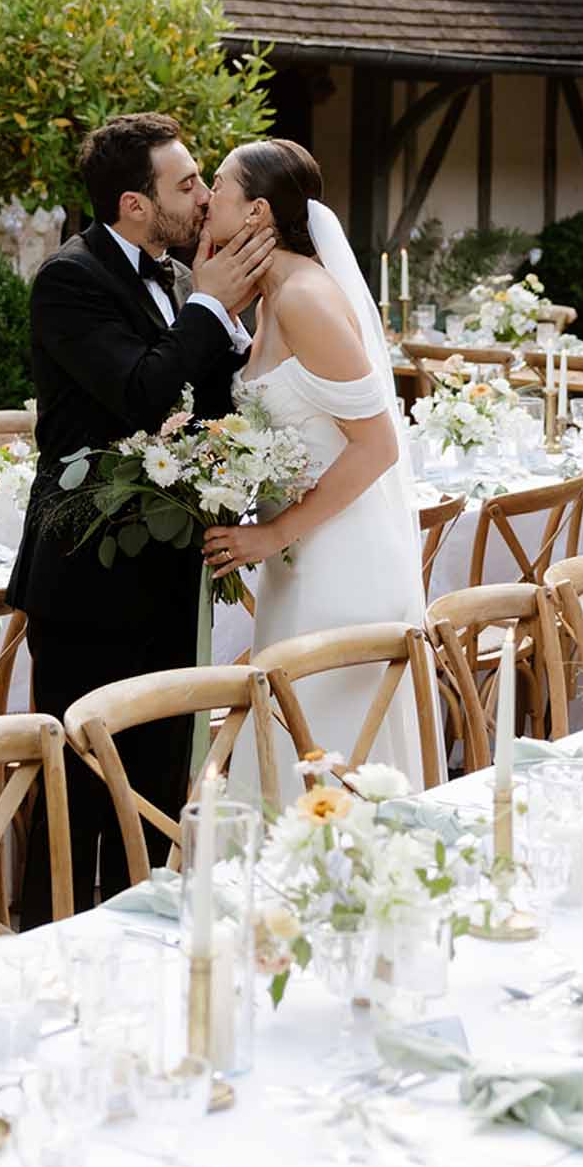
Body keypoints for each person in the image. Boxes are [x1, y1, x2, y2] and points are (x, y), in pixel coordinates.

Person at [8, 112, 273, 923]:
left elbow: (206, 406)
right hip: (85, 575)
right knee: (74, 794)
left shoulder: (177, 274)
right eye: (185, 183)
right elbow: (138, 393)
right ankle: (45, 952)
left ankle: (141, 937)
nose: (201, 196)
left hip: (166, 568)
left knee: (155, 784)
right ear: (133, 204)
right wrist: (211, 306)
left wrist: (231, 319)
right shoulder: (70, 278)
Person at [199, 139, 428, 790]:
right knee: (290, 762)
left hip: (339, 569)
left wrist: (272, 532)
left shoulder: (304, 298)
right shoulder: (273, 299)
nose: (207, 197)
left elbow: (378, 445)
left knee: (321, 767)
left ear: (257, 213)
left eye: (219, 185)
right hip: (299, 567)